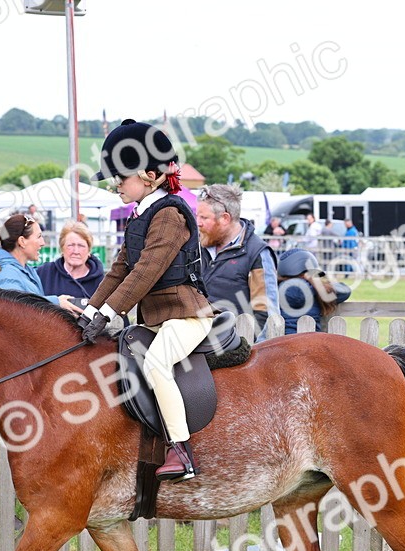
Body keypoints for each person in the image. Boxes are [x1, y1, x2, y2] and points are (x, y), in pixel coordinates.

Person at [82, 119, 215, 481]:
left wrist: (109, 312)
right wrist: (90, 310)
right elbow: (120, 269)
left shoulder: (170, 214)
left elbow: (145, 273)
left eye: (121, 178)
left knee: (156, 364)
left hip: (187, 316)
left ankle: (181, 450)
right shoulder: (141, 215)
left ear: (149, 175)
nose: (115, 185)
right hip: (157, 318)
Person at [195, 183, 280, 341]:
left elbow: (266, 314)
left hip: (237, 352)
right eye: (197, 215)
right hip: (196, 344)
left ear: (225, 218)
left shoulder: (257, 253)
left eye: (204, 217)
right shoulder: (196, 248)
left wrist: (245, 351)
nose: (197, 222)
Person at [0, 213, 82, 312]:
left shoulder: (24, 270)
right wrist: (56, 303)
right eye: (39, 237)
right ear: (22, 241)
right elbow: (14, 310)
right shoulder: (7, 275)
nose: (43, 243)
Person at [276, 249, 351, 334]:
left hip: (283, 343)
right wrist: (317, 282)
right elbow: (345, 291)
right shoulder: (314, 290)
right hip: (312, 342)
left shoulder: (277, 288)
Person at [36, 219, 105, 305]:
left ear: (89, 251)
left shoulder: (101, 282)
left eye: (81, 246)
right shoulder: (45, 273)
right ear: (62, 248)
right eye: (71, 245)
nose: (76, 251)